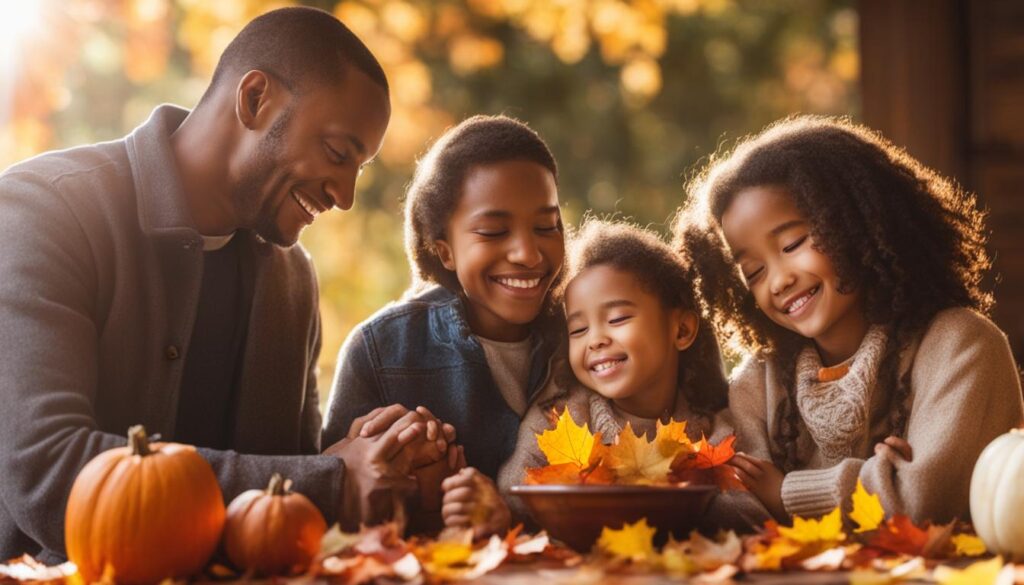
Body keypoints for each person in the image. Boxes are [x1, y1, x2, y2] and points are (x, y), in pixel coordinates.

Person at [0, 7, 440, 561]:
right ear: (255, 99)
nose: (345, 196)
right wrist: (329, 480)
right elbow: (46, 473)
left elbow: (289, 497)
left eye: (360, 168)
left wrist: (382, 461)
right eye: (336, 153)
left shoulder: (293, 281)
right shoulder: (41, 213)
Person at [674, 116, 1024, 523]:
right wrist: (877, 479)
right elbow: (732, 501)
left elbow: (922, 502)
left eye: (793, 244)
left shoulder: (963, 345)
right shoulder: (761, 380)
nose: (779, 281)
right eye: (753, 272)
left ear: (854, 222)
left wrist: (787, 494)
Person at [441, 219, 737, 537]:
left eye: (617, 318)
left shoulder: (714, 434)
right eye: (579, 329)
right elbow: (516, 498)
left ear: (681, 330)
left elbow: (745, 513)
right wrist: (492, 511)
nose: (595, 340)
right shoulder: (560, 419)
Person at [322, 115, 566, 484]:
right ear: (445, 251)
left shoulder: (585, 334)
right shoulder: (381, 351)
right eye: (494, 231)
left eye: (546, 227)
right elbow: (335, 488)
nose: (528, 254)